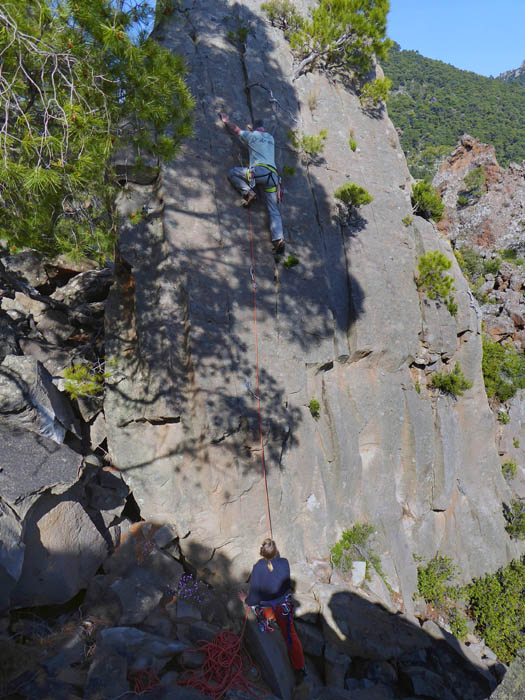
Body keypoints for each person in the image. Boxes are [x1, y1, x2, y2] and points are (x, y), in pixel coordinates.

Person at [239, 538, 305, 682]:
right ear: (276, 551)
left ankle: (265, 622)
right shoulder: (284, 563)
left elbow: (254, 598)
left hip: (268, 608)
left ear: (261, 553)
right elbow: (285, 584)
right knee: (291, 635)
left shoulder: (258, 568)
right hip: (284, 607)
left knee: (256, 605)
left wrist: (245, 599)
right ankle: (299, 668)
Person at [219, 113, 285, 254]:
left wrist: (226, 121)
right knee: (274, 210)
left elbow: (236, 130)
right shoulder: (271, 138)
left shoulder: (251, 135)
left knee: (233, 173)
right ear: (264, 128)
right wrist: (253, 130)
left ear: (252, 128)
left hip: (258, 172)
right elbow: (260, 134)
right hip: (273, 176)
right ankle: (278, 238)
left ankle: (248, 192)